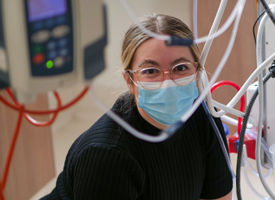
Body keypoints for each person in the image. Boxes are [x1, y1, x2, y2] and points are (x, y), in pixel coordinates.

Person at [41, 14, 233, 200]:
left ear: (197, 71)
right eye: (151, 71)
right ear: (130, 81)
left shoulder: (204, 115)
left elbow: (219, 196)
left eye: (181, 67)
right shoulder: (107, 154)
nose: (167, 82)